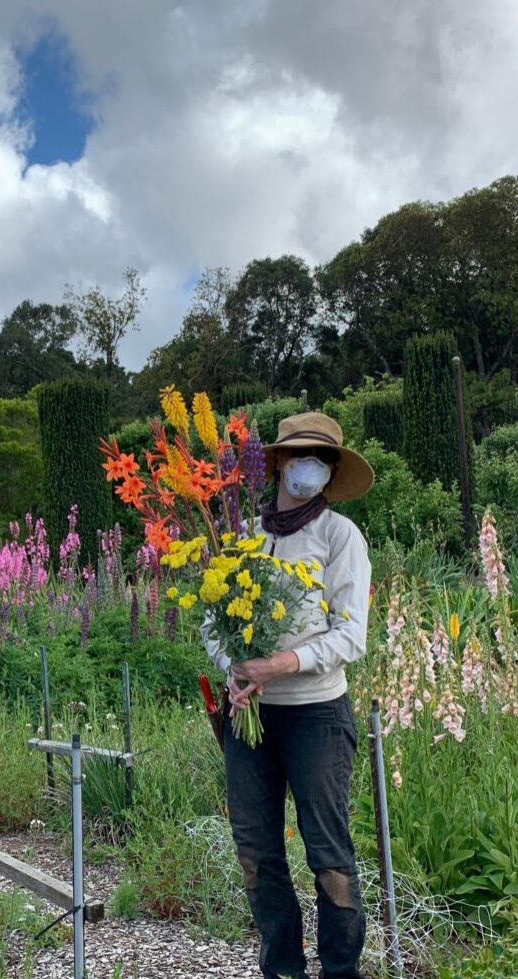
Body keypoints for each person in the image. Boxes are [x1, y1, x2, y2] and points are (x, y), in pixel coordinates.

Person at [202, 411, 374, 979]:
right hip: (248, 717)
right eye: (302, 455)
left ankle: (341, 970)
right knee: (256, 855)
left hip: (317, 716)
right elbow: (213, 621)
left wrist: (279, 664)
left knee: (328, 855)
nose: (312, 468)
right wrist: (235, 669)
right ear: (277, 462)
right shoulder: (242, 535)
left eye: (323, 460)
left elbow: (351, 634)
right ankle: (282, 967)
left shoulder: (339, 536)